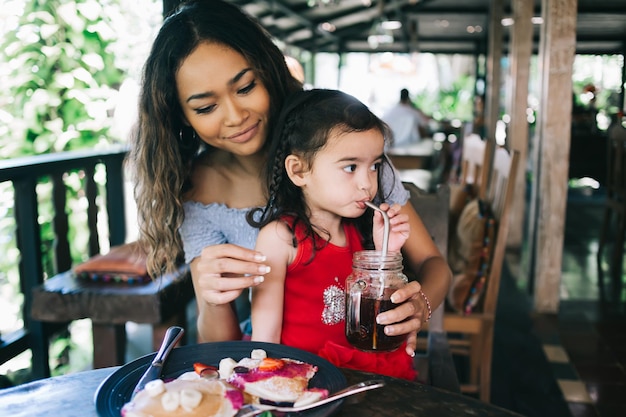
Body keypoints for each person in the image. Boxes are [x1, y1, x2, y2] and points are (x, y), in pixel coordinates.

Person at [130, 0, 451, 355]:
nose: (235, 116)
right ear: (180, 117)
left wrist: (420, 304)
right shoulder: (198, 190)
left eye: (246, 87)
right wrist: (213, 297)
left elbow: (434, 265)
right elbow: (220, 345)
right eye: (206, 107)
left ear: (268, 71)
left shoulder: (342, 150)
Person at [248, 89, 416, 380]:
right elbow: (265, 341)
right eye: (350, 167)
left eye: (374, 166)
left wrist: (386, 251)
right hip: (301, 378)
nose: (367, 184)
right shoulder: (280, 237)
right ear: (299, 171)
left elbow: (378, 317)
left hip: (357, 373)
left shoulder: (359, 231)